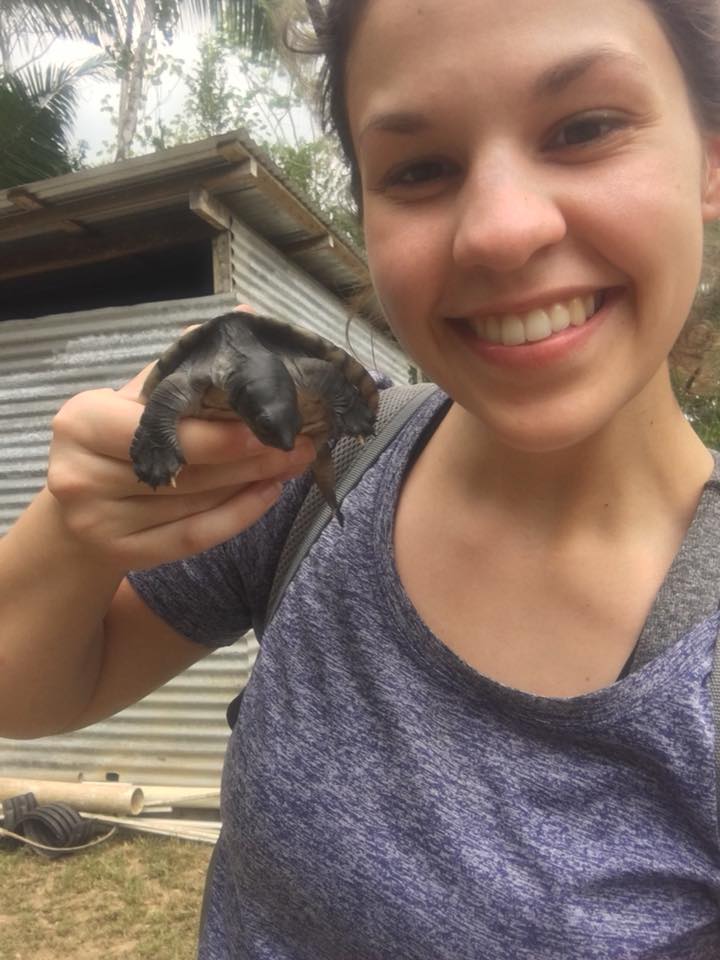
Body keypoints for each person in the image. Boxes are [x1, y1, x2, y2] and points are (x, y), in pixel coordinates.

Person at [3, 0, 720, 955]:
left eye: (584, 128)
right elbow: (30, 693)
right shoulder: (324, 458)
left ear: (710, 156)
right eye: (418, 169)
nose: (501, 231)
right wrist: (76, 524)